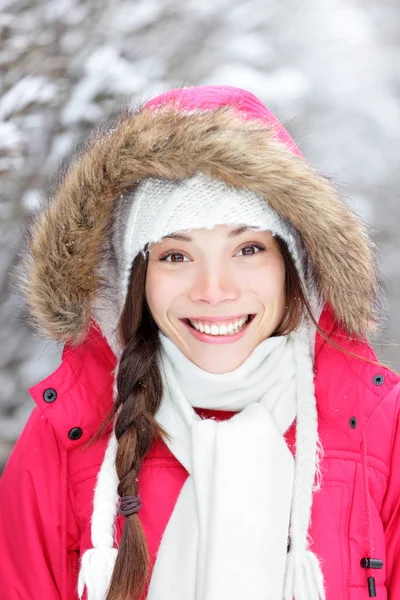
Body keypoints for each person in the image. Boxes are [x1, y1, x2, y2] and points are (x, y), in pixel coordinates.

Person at [0, 85, 399, 600]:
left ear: (294, 265)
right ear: (132, 279)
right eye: (176, 256)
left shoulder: (378, 428)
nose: (215, 291)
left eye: (248, 248)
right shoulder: (67, 435)